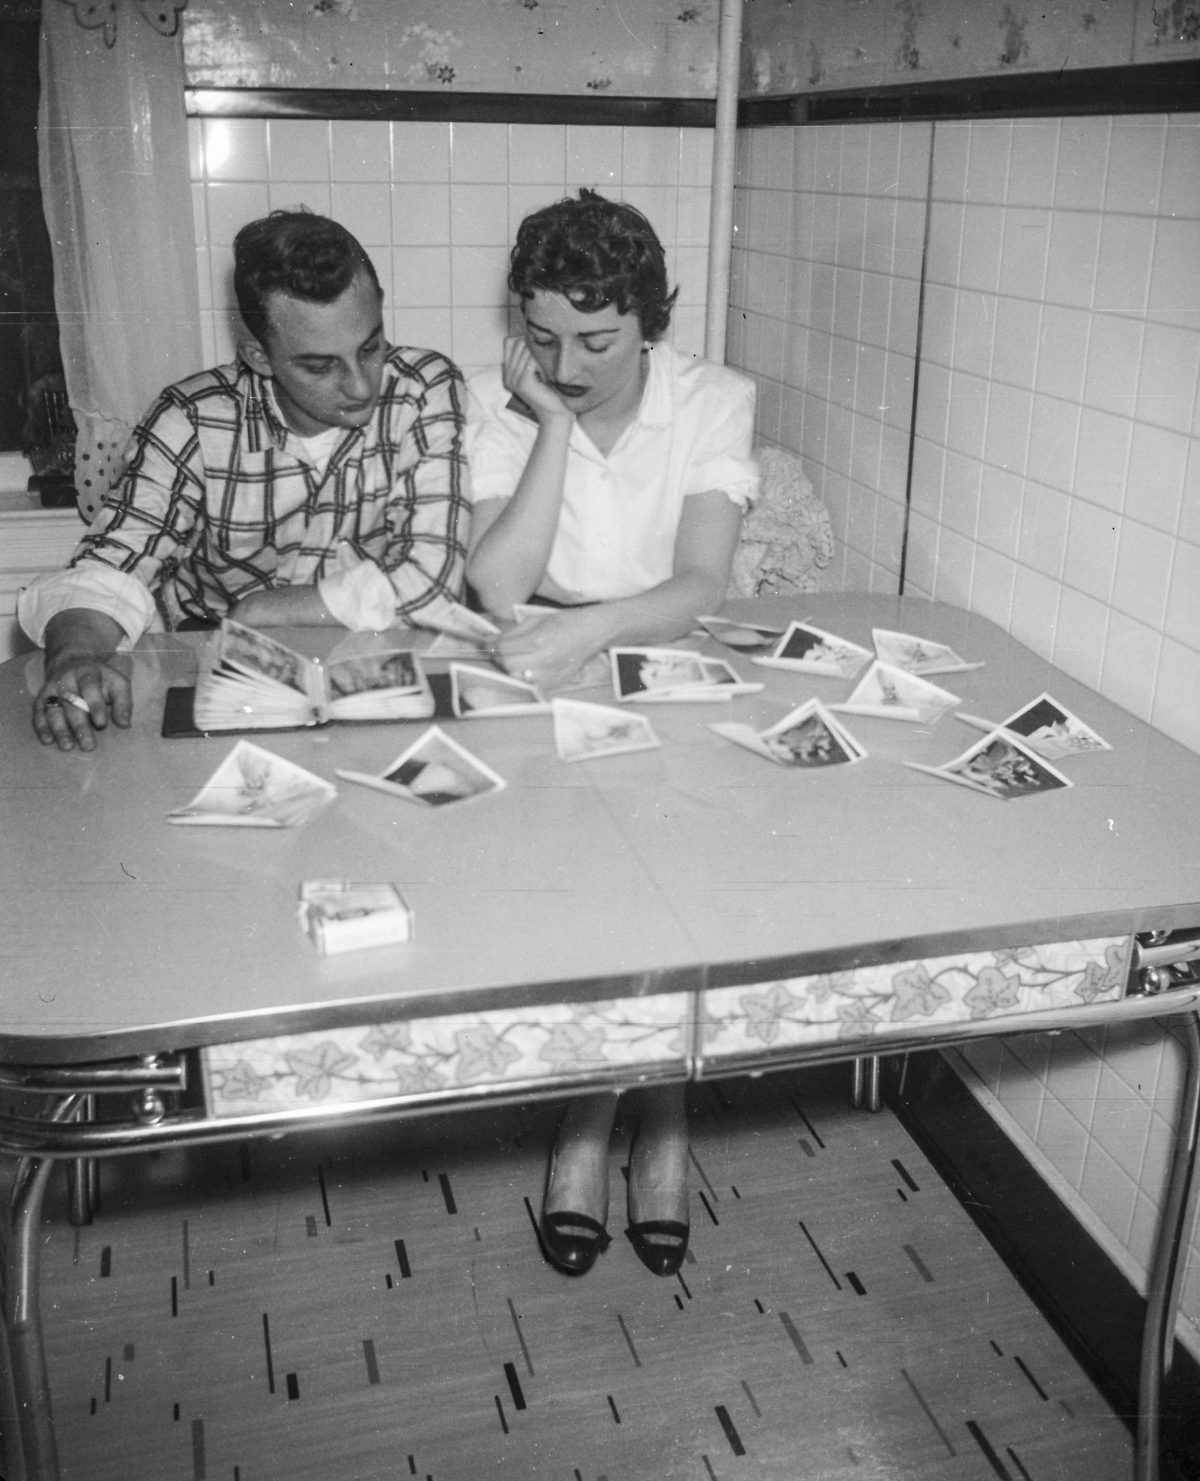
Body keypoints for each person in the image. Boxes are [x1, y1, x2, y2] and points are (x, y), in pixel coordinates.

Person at [465, 189, 759, 1278]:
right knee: (581, 904)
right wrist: (546, 418)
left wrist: (592, 626)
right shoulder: (502, 396)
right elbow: (498, 581)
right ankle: (585, 1123)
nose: (571, 360)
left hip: (665, 654)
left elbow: (698, 580)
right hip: (541, 660)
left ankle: (667, 1127)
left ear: (651, 320)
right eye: (544, 337)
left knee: (676, 901)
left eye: (599, 338)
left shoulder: (715, 398)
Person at [20, 210, 469, 752]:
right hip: (212, 677)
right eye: (320, 366)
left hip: (367, 677)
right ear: (259, 356)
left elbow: (433, 580)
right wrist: (76, 656)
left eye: (371, 347)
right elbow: (111, 565)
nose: (361, 385)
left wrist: (265, 609)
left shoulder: (424, 389)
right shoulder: (188, 418)